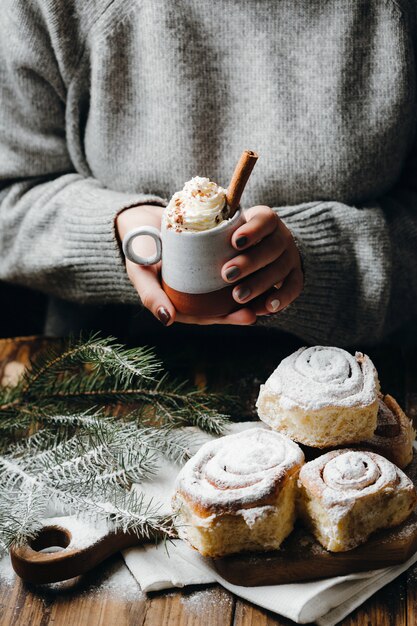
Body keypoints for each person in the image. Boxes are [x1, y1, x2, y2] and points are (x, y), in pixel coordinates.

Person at [0, 0, 416, 345]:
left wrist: (319, 261)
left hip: (368, 381)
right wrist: (118, 230)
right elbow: (9, 200)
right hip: (101, 380)